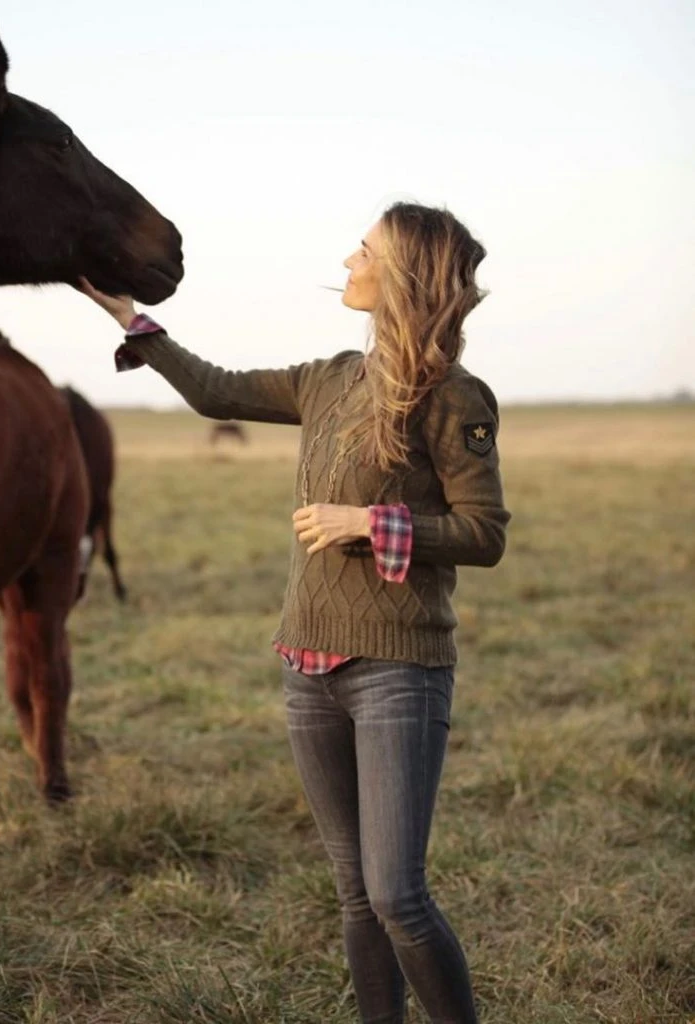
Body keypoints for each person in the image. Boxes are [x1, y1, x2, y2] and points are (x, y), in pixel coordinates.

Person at [80, 201, 510, 1024]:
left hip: (397, 670)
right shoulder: (326, 381)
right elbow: (213, 391)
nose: (347, 262)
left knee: (396, 896)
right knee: (353, 895)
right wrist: (133, 319)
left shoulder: (456, 400)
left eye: (364, 250)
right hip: (306, 665)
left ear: (404, 278)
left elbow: (485, 533)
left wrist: (370, 523)